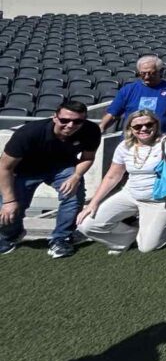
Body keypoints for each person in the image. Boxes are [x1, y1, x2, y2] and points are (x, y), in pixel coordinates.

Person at [77, 109, 166, 254]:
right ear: (130, 129)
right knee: (86, 225)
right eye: (137, 126)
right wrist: (94, 203)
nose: (144, 129)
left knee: (146, 247)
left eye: (149, 124)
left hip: (160, 199)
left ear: (156, 125)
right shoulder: (124, 146)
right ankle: (125, 239)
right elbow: (112, 176)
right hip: (130, 195)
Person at [0, 101, 101, 258]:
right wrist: (8, 201)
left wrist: (76, 176)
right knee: (8, 208)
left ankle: (62, 238)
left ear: (84, 120)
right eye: (65, 120)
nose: (70, 125)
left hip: (63, 167)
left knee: (73, 195)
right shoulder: (29, 133)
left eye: (77, 121)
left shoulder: (91, 130)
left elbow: (88, 157)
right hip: (25, 170)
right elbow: (4, 167)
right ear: (55, 117)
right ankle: (10, 235)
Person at [99, 55, 166, 139]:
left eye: (151, 73)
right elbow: (113, 114)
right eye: (142, 74)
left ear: (161, 71)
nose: (146, 77)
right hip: (133, 140)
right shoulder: (128, 90)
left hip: (161, 141)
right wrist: (101, 128)